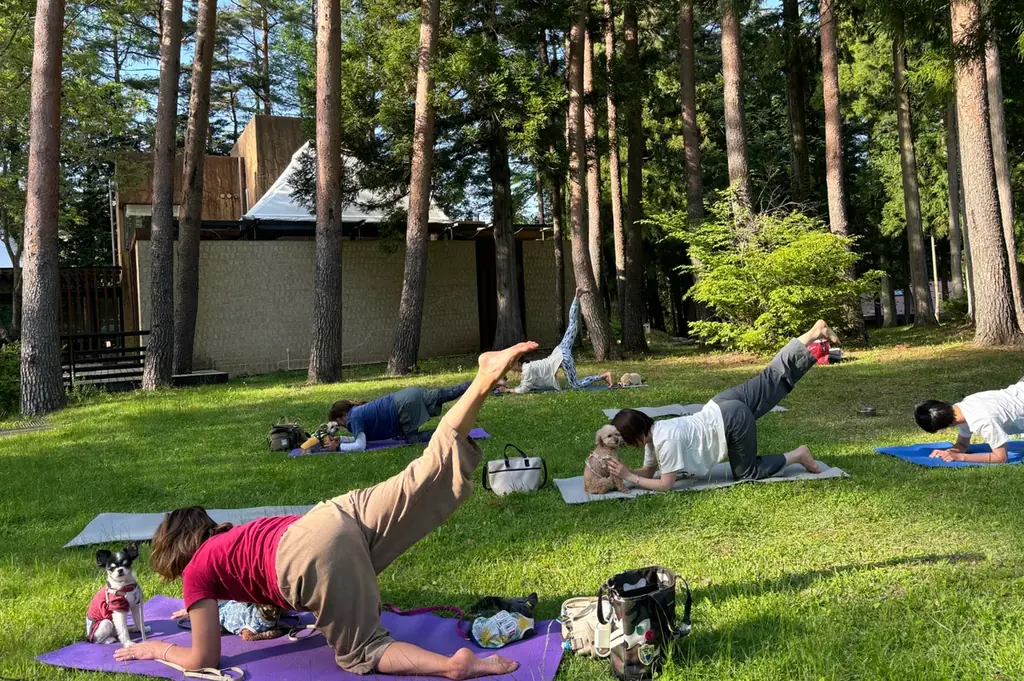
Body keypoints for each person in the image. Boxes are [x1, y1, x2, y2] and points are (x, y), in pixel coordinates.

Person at [115, 341, 540, 679]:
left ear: (175, 550)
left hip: (313, 555)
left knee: (362, 653)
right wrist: (195, 607)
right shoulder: (232, 539)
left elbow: (204, 658)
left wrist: (157, 648)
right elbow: (256, 587)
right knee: (425, 471)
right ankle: (483, 379)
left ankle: (452, 666)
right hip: (332, 516)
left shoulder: (197, 572)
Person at [607, 321, 836, 490]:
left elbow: (666, 484)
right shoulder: (656, 434)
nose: (625, 445)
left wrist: (629, 475)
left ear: (635, 437)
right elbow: (649, 472)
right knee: (770, 376)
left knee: (747, 473)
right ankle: (814, 335)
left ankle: (798, 455)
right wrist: (624, 475)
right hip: (719, 404)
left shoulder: (664, 442)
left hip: (731, 421)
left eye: (625, 441)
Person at [499, 289, 613, 394]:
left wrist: (508, 390)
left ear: (518, 363)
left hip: (563, 358)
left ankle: (603, 376)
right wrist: (506, 385)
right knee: (572, 326)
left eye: (511, 364)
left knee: (575, 385)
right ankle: (577, 297)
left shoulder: (527, 370)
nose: (510, 367)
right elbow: (525, 384)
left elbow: (524, 388)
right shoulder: (527, 368)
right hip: (559, 351)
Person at [327, 383, 472, 452]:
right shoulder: (357, 411)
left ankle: (453, 432)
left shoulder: (353, 418)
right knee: (449, 392)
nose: (343, 427)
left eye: (340, 423)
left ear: (344, 415)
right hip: (407, 396)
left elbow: (360, 446)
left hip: (403, 409)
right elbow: (362, 438)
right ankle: (485, 382)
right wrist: (343, 439)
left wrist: (339, 447)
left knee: (413, 439)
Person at [914, 378, 1024, 464]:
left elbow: (1001, 458)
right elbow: (962, 445)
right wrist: (949, 452)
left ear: (947, 425)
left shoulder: (984, 421)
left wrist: (961, 457)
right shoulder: (961, 409)